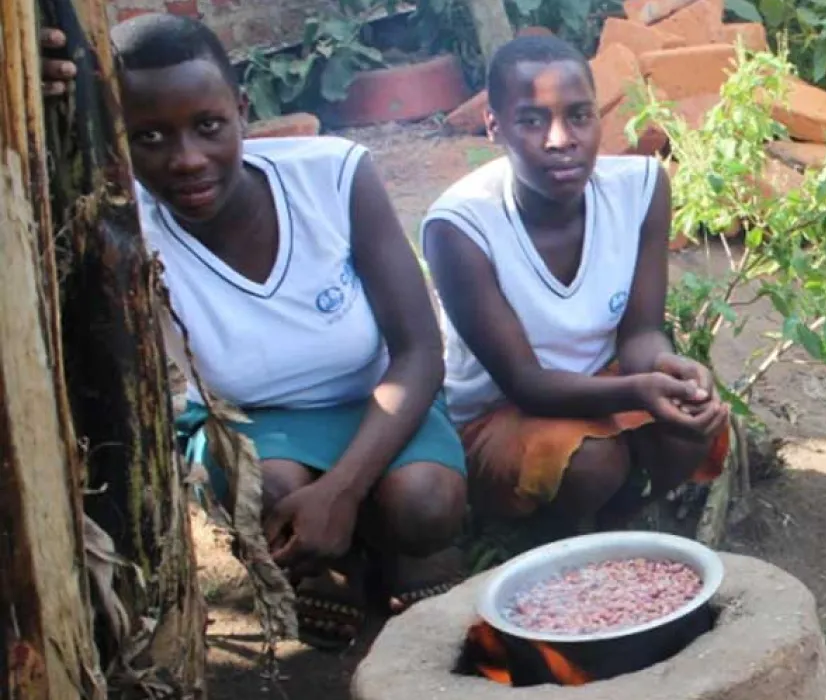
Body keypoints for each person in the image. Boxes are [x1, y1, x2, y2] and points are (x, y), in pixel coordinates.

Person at [111, 14, 469, 650]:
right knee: (269, 487)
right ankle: (332, 566)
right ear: (118, 140)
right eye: (150, 137)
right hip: (252, 420)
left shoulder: (332, 177)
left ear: (242, 110)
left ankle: (386, 546)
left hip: (375, 402)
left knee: (426, 504)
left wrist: (342, 489)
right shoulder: (126, 233)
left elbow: (418, 351)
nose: (186, 158)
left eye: (208, 126)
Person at [423, 35, 729, 534]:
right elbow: (525, 382)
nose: (560, 138)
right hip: (502, 413)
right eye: (532, 120)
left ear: (598, 120)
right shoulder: (460, 227)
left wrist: (668, 369)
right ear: (494, 126)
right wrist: (639, 391)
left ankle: (625, 523)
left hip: (605, 384)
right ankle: (549, 536)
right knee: (590, 461)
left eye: (579, 116)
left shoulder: (640, 189)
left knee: (691, 422)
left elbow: (639, 334)